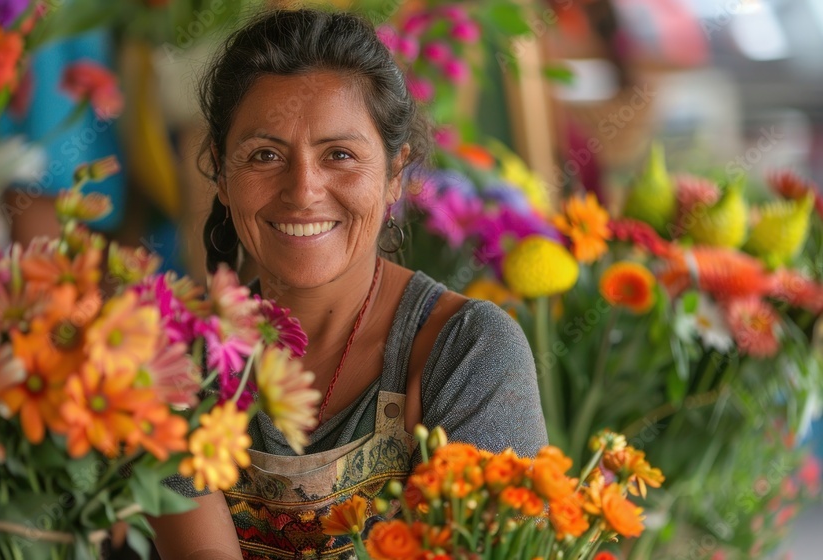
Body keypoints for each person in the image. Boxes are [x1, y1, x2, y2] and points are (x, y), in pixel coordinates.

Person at [150, 9, 548, 559]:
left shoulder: (467, 351)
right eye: (265, 155)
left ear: (394, 175)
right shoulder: (174, 359)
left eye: (339, 155)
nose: (304, 190)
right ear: (220, 171)